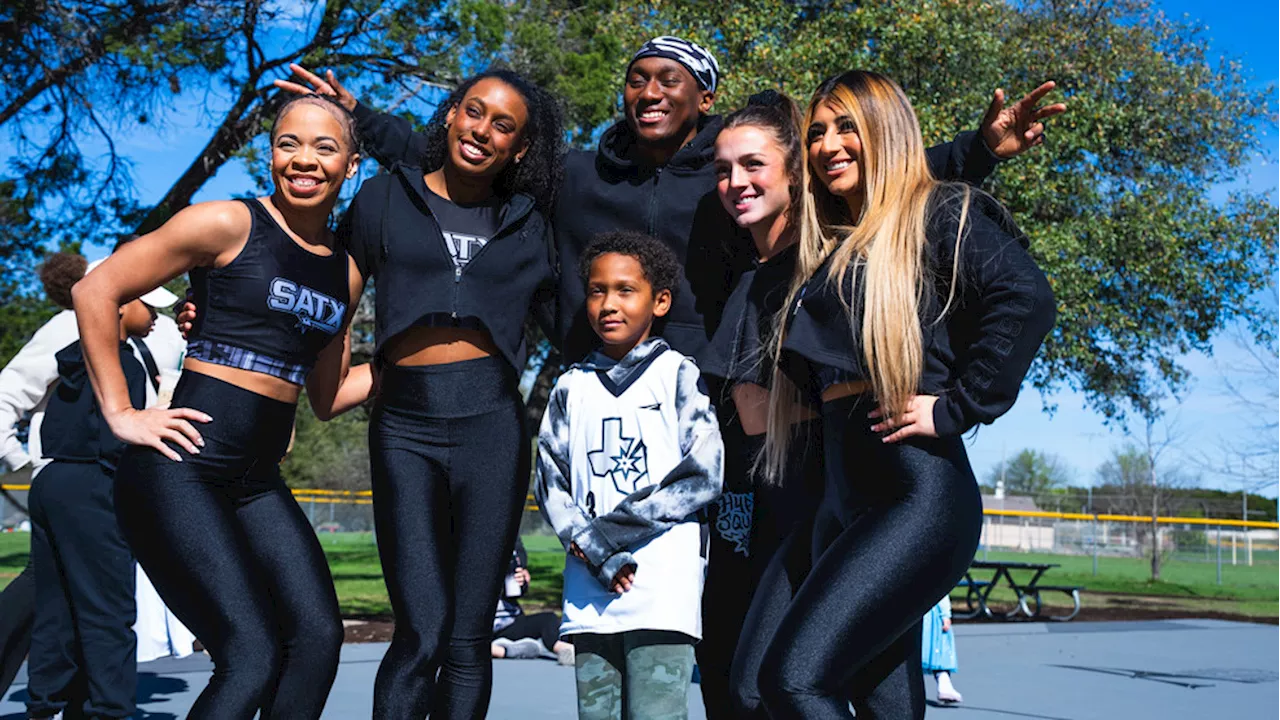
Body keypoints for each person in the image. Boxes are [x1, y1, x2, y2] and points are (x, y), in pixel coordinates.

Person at [729, 70, 1056, 719]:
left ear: (884, 131)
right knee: (756, 688)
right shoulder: (831, 246)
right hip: (838, 504)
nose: (827, 144)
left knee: (795, 683)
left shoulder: (932, 214)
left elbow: (1026, 298)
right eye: (817, 132)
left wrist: (960, 406)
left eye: (847, 126)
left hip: (913, 497)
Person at [72, 93, 370, 718]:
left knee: (317, 637)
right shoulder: (228, 223)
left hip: (255, 480)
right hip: (181, 468)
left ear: (352, 163)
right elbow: (96, 288)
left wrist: (427, 365)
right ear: (270, 157)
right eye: (288, 144)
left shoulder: (344, 272)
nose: (304, 160)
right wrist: (123, 413)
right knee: (251, 653)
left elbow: (328, 395)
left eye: (324, 146)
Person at [534, 232, 724, 720]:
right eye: (597, 291)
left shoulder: (677, 373)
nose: (608, 303)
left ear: (659, 301)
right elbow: (550, 481)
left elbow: (704, 474)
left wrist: (608, 534)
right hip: (590, 590)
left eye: (625, 290)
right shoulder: (570, 386)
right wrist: (596, 550)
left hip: (662, 587)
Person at [0, 250, 187, 698]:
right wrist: (21, 460)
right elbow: (11, 390)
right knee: (59, 595)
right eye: (146, 298)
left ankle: (71, 699)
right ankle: (91, 701)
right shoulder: (73, 323)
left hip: (113, 479)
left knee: (66, 599)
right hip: (75, 475)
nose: (156, 311)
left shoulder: (144, 338)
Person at [26, 277, 169, 719]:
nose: (157, 316)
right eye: (152, 306)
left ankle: (47, 705)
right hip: (94, 483)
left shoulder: (76, 355)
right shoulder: (120, 362)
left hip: (52, 481)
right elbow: (115, 440)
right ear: (122, 304)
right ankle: (109, 709)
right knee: (108, 610)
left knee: (56, 607)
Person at [490, 538, 575, 665]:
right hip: (481, 627)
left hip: (511, 622)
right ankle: (501, 650)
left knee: (548, 619)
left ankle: (566, 650)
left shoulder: (513, 547)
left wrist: (522, 583)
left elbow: (514, 592)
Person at [922, 595, 961, 704]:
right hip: (933, 614)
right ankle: (944, 684)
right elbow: (941, 593)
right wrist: (945, 614)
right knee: (940, 649)